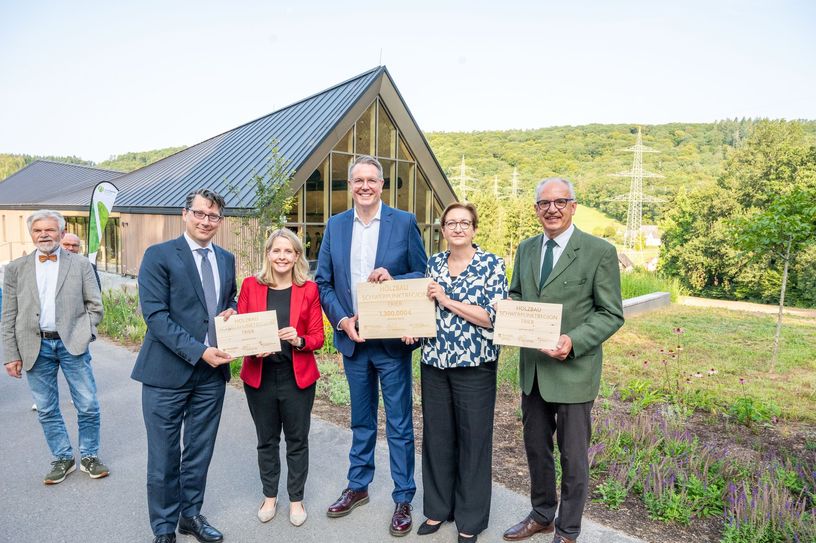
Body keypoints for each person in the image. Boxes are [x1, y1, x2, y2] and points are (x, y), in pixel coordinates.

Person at [502, 178, 624, 543]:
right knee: (537, 450)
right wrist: (509, 308)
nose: (551, 209)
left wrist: (574, 340)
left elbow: (610, 313)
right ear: (536, 209)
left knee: (573, 459)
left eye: (560, 202)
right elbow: (517, 293)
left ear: (574, 206)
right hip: (535, 373)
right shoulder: (525, 249)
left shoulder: (599, 251)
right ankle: (542, 514)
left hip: (573, 372)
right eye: (544, 203)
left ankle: (568, 530)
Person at [316, 155, 427, 537]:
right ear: (350, 185)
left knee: (398, 424)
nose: (365, 186)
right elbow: (323, 283)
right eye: (358, 180)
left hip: (392, 343)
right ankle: (358, 486)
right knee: (361, 421)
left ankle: (403, 497)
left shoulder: (404, 222)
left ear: (382, 185)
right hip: (355, 340)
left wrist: (394, 277)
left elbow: (423, 273)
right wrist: (342, 321)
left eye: (372, 180)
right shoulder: (336, 225)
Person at [131, 189, 237, 543]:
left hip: (211, 376)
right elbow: (156, 317)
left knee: (198, 451)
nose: (206, 221)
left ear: (220, 221)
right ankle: (163, 528)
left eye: (213, 216)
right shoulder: (159, 255)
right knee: (163, 455)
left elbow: (228, 298)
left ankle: (190, 515)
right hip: (165, 374)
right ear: (185, 214)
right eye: (200, 213)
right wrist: (199, 351)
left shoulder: (226, 258)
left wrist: (233, 310)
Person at [410, 202, 507, 543]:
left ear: (474, 229)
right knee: (437, 439)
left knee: (473, 441)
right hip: (435, 363)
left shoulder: (492, 264)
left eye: (465, 223)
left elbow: (493, 317)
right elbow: (425, 309)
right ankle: (438, 509)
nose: (458, 228)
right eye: (451, 223)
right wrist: (413, 328)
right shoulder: (434, 263)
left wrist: (447, 299)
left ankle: (470, 519)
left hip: (475, 366)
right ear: (443, 230)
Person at [1, 209, 108, 484]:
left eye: (50, 230)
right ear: (31, 234)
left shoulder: (81, 264)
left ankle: (89, 456)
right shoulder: (15, 268)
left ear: (61, 233)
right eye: (38, 230)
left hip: (72, 343)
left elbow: (95, 307)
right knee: (47, 408)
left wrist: (85, 334)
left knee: (87, 405)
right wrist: (10, 354)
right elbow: (9, 315)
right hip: (34, 346)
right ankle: (63, 458)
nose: (44, 235)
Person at [237, 228, 324, 527]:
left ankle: (296, 499)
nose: (282, 256)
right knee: (267, 440)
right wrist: (251, 347)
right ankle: (270, 496)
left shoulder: (309, 290)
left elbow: (318, 337)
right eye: (277, 251)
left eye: (289, 251)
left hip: (296, 376)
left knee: (297, 440)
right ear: (268, 254)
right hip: (260, 375)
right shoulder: (250, 285)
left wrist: (298, 339)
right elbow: (242, 330)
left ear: (297, 256)